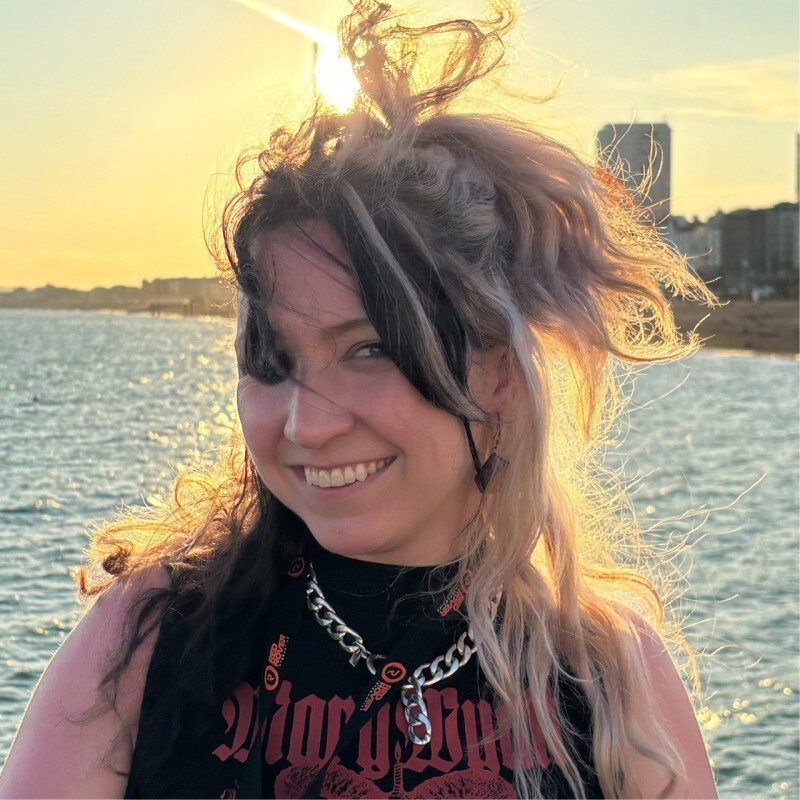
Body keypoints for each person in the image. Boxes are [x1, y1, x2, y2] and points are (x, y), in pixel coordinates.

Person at [0, 1, 718, 797]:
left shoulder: (610, 678)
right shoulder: (148, 642)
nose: (307, 423)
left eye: (369, 349)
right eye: (271, 362)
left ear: (498, 376)